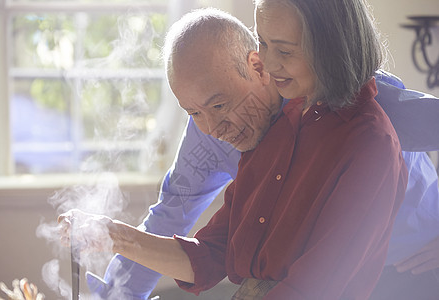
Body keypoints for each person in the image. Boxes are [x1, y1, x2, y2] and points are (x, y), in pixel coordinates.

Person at [59, 2, 409, 299]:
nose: (267, 65)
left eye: (283, 51)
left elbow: (313, 288)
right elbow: (212, 253)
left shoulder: (371, 142)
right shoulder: (282, 125)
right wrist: (111, 234)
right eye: (263, 44)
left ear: (330, 46)